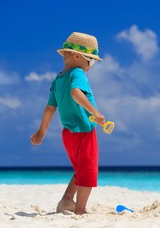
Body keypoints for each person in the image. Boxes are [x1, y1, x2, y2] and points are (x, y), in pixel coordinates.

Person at [31, 32, 106, 215]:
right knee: (88, 171)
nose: (91, 66)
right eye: (91, 60)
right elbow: (75, 93)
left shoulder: (58, 79)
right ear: (77, 56)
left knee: (81, 169)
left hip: (68, 134)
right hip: (83, 130)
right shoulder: (78, 73)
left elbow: (50, 108)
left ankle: (66, 200)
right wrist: (95, 112)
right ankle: (80, 210)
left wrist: (41, 131)